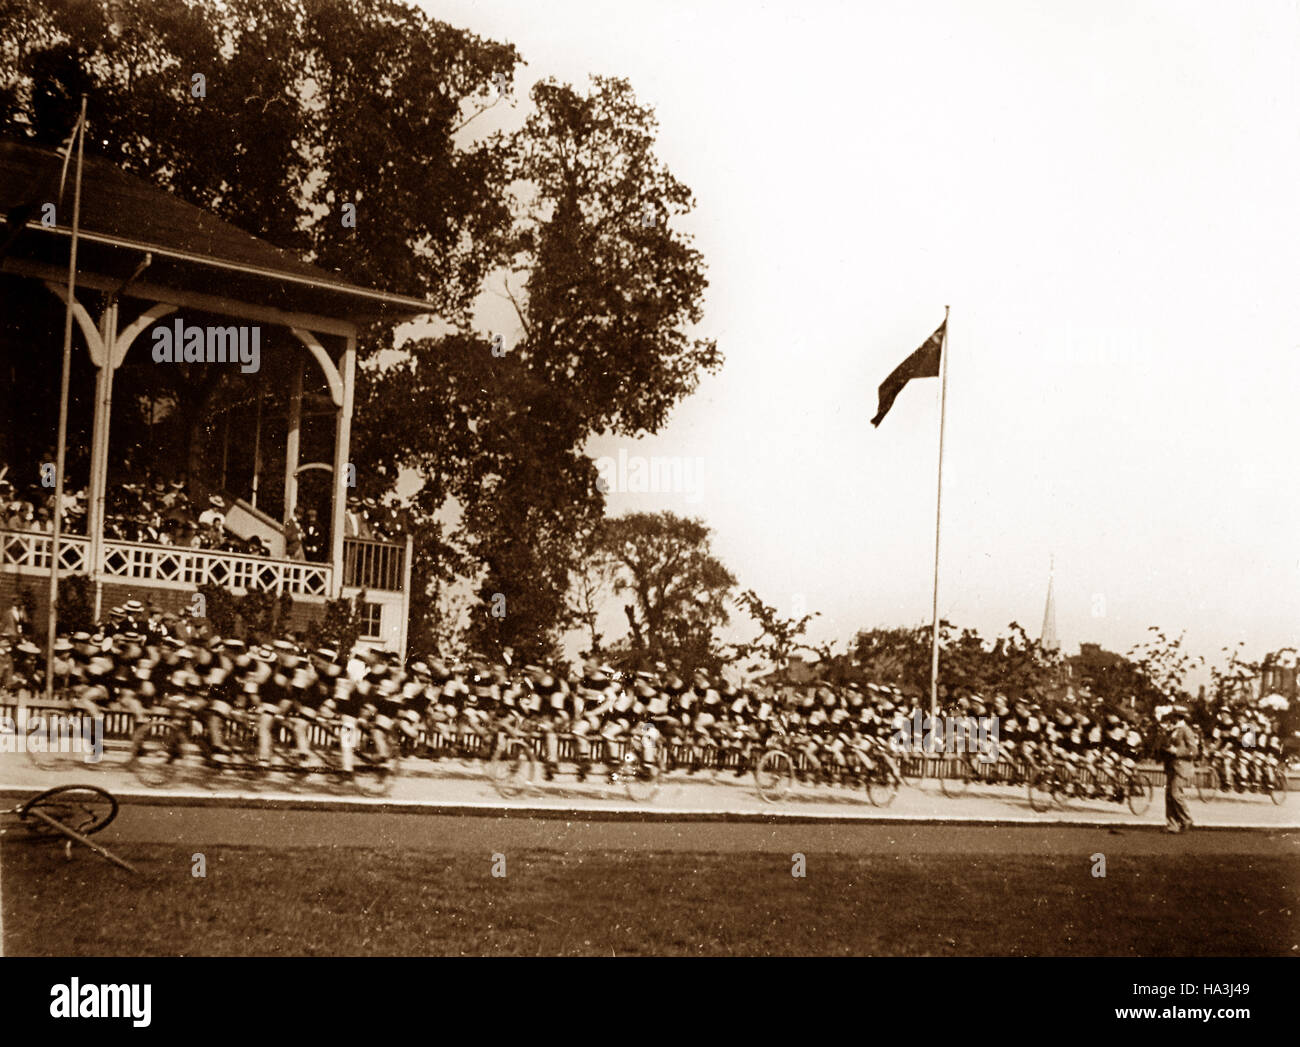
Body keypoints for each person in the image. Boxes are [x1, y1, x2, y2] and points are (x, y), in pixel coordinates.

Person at [1159, 705, 1198, 833]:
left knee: (1175, 794)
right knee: (1169, 796)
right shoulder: (1173, 730)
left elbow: (1194, 751)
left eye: (1174, 716)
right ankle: (1172, 824)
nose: (1172, 718)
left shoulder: (1186, 730)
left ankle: (1186, 819)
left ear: (1179, 717)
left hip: (1182, 767)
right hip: (1171, 766)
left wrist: (1177, 751)